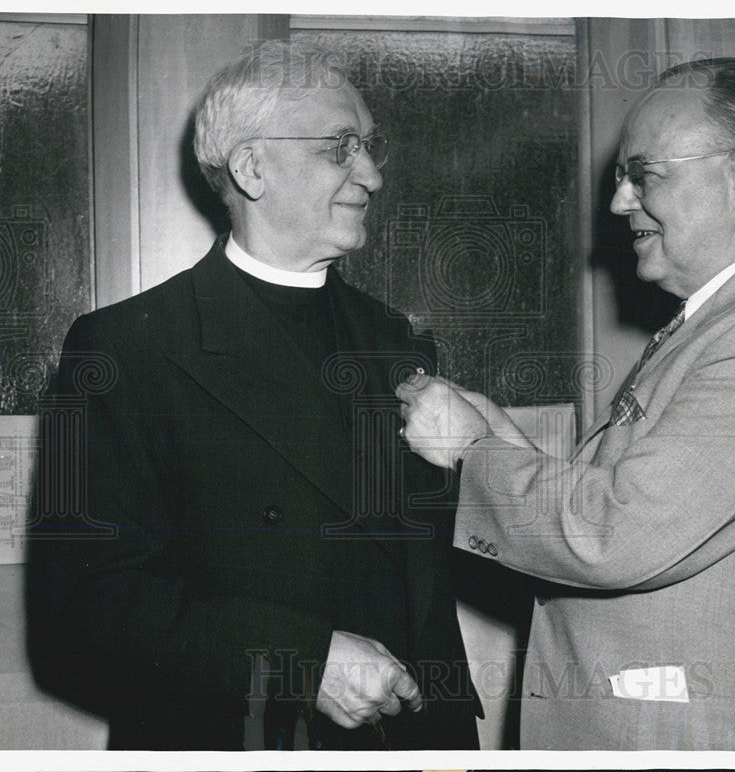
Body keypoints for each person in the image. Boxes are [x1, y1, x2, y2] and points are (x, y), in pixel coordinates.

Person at [397, 57, 735, 751]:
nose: (620, 202)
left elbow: (616, 535)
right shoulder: (721, 324)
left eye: (643, 174)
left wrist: (469, 454)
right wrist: (501, 441)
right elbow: (640, 507)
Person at [26, 41, 479, 751]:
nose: (373, 174)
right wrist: (302, 661)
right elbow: (83, 610)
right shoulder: (125, 350)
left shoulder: (397, 340)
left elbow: (423, 580)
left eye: (369, 148)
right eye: (342, 148)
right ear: (252, 168)